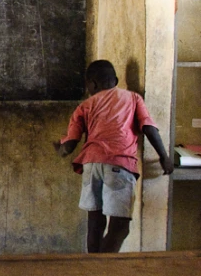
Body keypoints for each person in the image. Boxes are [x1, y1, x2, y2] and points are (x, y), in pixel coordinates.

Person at [53, 60, 174, 253]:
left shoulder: (84, 106)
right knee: (120, 226)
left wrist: (59, 148)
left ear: (91, 84)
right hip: (119, 164)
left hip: (91, 165)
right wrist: (164, 156)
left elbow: (69, 145)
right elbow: (149, 128)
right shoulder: (133, 98)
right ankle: (104, 268)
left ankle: (94, 270)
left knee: (95, 222)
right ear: (116, 80)